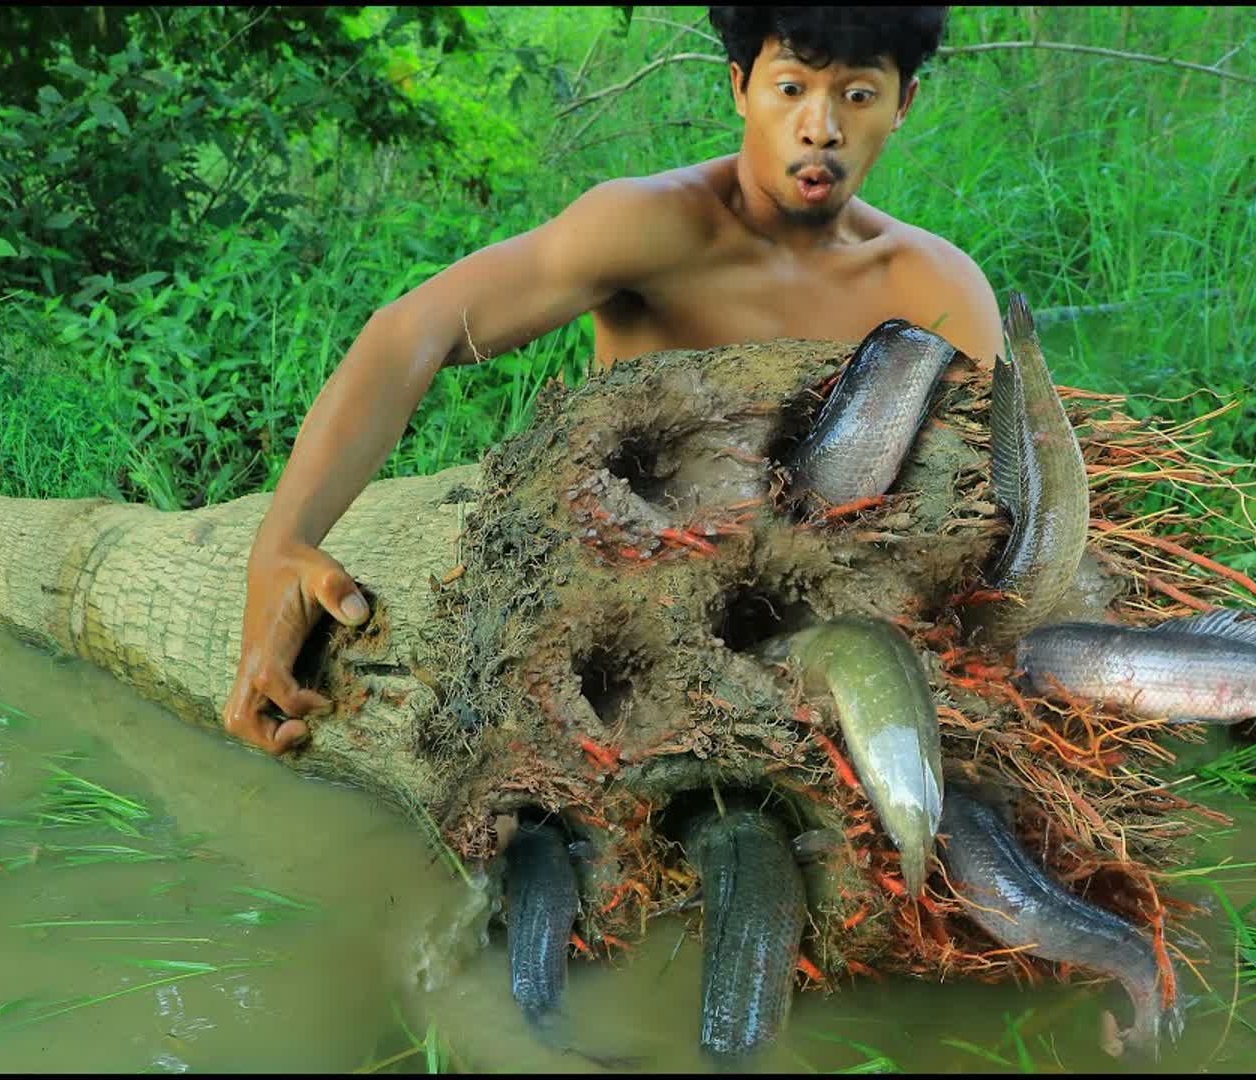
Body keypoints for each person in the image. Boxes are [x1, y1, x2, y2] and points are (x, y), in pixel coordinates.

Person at [223, 6, 1004, 754]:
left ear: (904, 103)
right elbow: (410, 334)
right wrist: (282, 545)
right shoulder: (652, 228)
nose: (821, 127)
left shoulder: (935, 292)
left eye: (858, 95)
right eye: (792, 87)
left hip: (823, 640)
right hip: (614, 629)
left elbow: (993, 497)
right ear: (740, 86)